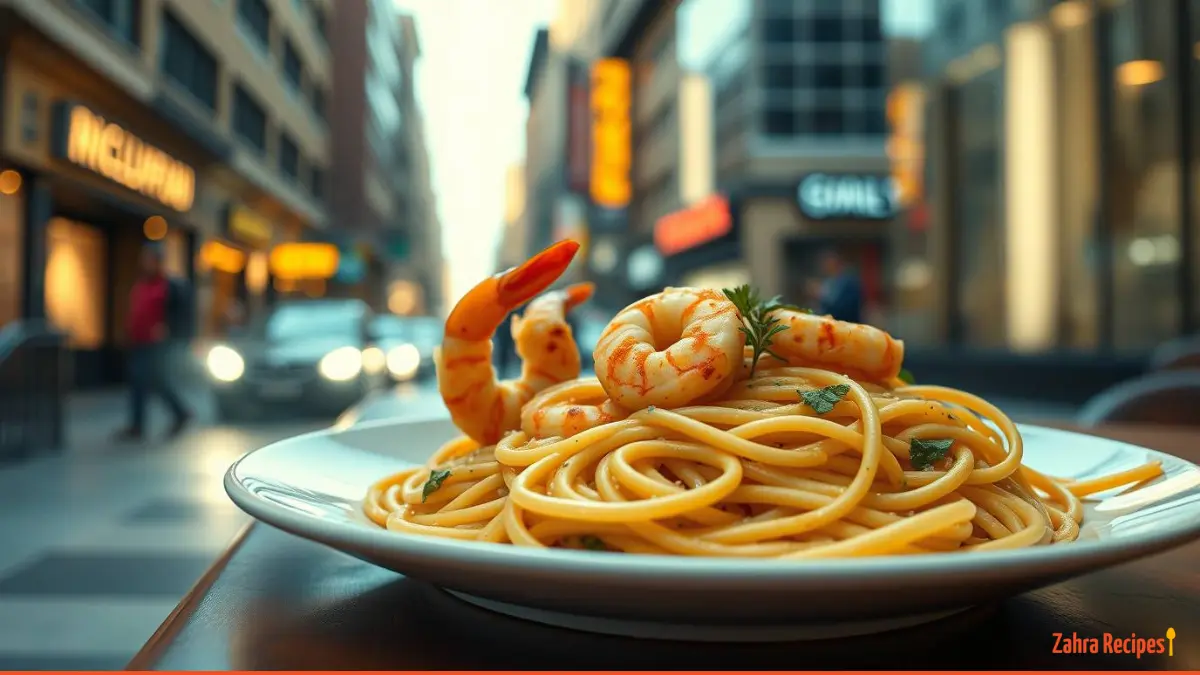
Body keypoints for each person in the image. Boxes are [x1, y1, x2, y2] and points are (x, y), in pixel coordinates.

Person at [115, 244, 193, 441]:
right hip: (139, 340)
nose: (145, 263)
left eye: (149, 259)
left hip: (157, 343)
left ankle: (178, 413)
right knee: (140, 381)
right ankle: (140, 424)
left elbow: (181, 314)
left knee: (149, 379)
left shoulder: (169, 285)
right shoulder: (141, 284)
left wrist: (168, 330)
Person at [814, 249, 863, 324]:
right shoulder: (828, 281)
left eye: (828, 263)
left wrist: (822, 295)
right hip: (830, 324)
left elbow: (846, 308)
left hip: (847, 325)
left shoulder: (848, 283)